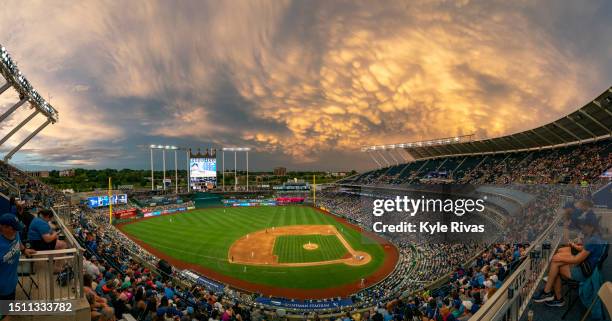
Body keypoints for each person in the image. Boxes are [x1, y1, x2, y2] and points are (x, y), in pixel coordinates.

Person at [533, 214, 605, 307]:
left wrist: (561, 258)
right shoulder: (596, 235)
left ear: (591, 227)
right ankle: (550, 292)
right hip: (586, 265)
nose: (582, 227)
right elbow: (584, 249)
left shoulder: (593, 240)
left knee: (556, 264)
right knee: (556, 261)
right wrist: (573, 247)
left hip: (584, 272)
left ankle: (554, 296)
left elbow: (577, 259)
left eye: (584, 226)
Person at [0, 213, 36, 320]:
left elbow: (18, 242)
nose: (16, 231)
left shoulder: (15, 234)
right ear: (3, 227)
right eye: (13, 229)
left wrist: (24, 250)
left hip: (11, 283)